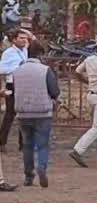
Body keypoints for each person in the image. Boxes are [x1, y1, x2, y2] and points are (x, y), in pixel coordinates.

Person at [13, 41, 58, 186]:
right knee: (43, 144)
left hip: (22, 113)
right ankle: (42, 167)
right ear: (41, 54)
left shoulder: (18, 70)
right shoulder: (45, 70)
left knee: (27, 144)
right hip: (42, 112)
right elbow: (54, 91)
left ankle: (28, 176)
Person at [0, 29, 30, 151]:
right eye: (21, 38)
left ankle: (23, 144)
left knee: (24, 115)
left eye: (25, 38)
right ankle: (2, 142)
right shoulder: (9, 53)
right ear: (14, 39)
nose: (24, 40)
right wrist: (18, 67)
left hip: (24, 85)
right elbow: (2, 69)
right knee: (10, 115)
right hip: (12, 84)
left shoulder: (25, 51)